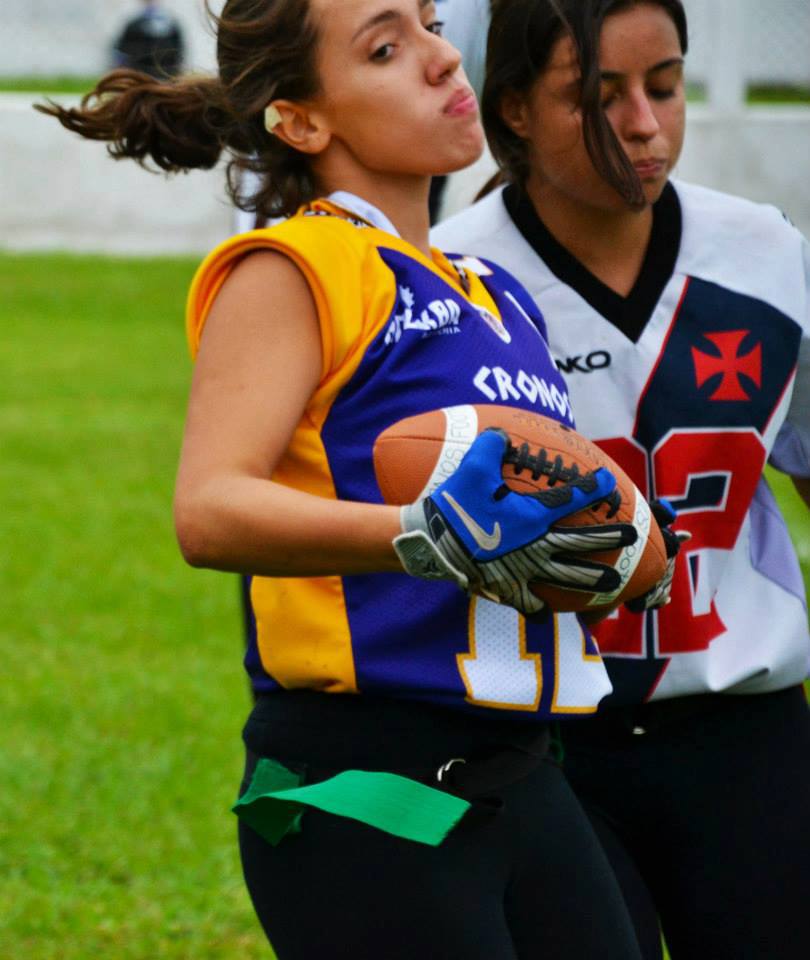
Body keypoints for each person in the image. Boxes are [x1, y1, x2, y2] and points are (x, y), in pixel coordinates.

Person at [36, 2, 670, 957]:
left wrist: (623, 553)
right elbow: (209, 509)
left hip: (526, 778)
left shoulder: (495, 294)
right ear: (301, 121)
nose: (441, 56)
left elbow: (548, 526)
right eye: (386, 47)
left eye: (426, 22)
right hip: (366, 780)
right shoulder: (297, 264)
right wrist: (424, 534)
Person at [432, 2, 810, 958]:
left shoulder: (765, 254)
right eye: (599, 97)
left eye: (666, 85)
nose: (644, 125)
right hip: (545, 751)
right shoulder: (451, 282)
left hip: (748, 733)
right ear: (512, 109)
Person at [111, 0, 185, 79]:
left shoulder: (171, 23)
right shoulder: (134, 23)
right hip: (140, 73)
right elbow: (123, 49)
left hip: (165, 73)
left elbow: (179, 48)